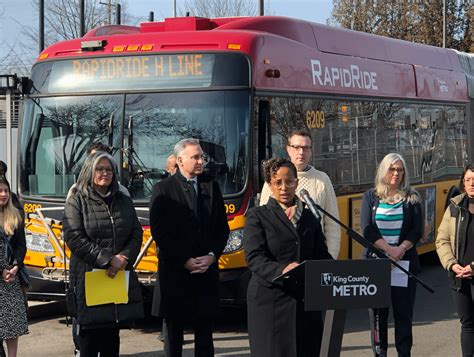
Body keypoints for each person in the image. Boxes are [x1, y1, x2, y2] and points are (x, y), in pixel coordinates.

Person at [243, 157, 333, 357]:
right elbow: (254, 257)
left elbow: (321, 254)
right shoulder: (257, 216)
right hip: (270, 303)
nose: (284, 187)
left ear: (296, 183)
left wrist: (337, 272)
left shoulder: (310, 217)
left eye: (289, 181)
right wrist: (282, 270)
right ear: (269, 185)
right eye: (278, 182)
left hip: (304, 304)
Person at [149, 138, 229, 357]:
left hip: (206, 272)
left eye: (202, 157)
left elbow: (222, 228)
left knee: (205, 335)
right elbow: (160, 234)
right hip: (176, 273)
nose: (201, 161)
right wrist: (184, 259)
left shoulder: (211, 186)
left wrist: (212, 256)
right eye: (195, 157)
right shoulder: (163, 189)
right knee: (174, 335)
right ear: (180, 160)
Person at [63, 152, 144, 357]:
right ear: (90, 171)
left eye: (109, 169)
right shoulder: (77, 199)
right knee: (89, 339)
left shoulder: (123, 199)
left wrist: (124, 258)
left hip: (116, 277)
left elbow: (136, 232)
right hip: (89, 278)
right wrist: (108, 260)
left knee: (111, 336)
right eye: (100, 169)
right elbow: (74, 237)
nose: (105, 173)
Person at [360, 153, 422, 357]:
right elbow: (367, 230)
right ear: (384, 171)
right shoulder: (371, 196)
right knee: (378, 317)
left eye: (400, 170)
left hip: (403, 266)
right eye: (392, 169)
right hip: (377, 265)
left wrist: (401, 249)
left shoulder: (412, 198)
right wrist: (388, 250)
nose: (396, 174)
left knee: (403, 315)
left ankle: (404, 353)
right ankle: (380, 353)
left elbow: (416, 230)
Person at [259, 130, 341, 259]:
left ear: (311, 151)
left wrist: (330, 260)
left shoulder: (322, 180)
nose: (301, 152)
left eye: (306, 148)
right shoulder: (273, 179)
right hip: (280, 257)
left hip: (314, 254)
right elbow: (263, 221)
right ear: (288, 149)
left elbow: (332, 226)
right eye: (296, 147)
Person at [436, 164, 474, 357]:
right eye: (467, 180)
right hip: (459, 276)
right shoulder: (455, 207)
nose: (471, 184)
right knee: (467, 324)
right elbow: (441, 239)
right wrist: (451, 263)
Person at [0, 176, 28, 357]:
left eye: (5, 191)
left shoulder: (15, 215)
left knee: (12, 326)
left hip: (11, 279)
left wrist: (16, 266)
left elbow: (21, 246)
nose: (3, 194)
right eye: (0, 191)